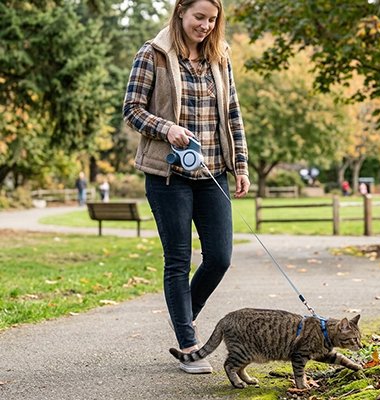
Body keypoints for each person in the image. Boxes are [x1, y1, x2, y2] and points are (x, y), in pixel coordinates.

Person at [123, 0, 250, 375]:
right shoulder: (154, 53)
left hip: (213, 173)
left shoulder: (220, 57)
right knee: (178, 260)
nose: (206, 26)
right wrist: (167, 129)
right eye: (199, 17)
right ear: (180, 12)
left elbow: (233, 114)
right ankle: (188, 341)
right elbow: (131, 109)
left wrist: (239, 165)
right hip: (168, 175)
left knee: (220, 257)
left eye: (213, 19)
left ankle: (183, 318)